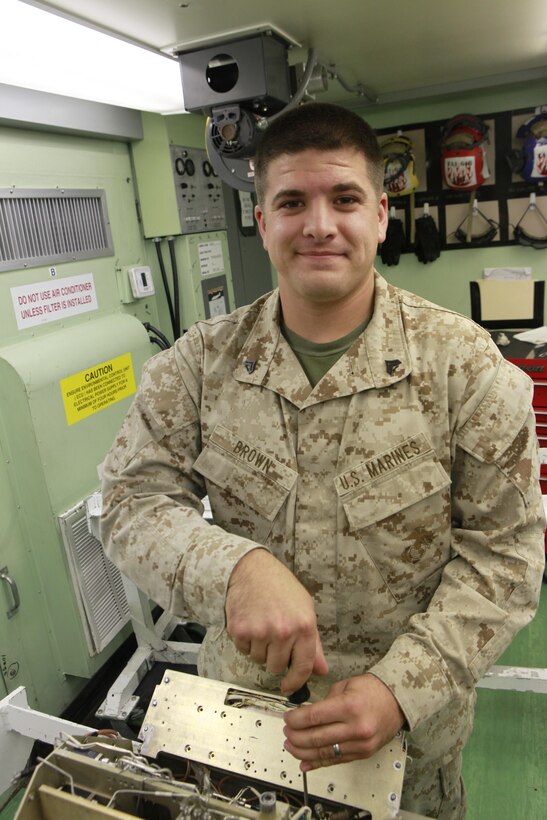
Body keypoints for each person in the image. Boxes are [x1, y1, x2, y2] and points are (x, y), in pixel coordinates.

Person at [100, 102, 545, 819]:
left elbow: (507, 556)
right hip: (244, 729)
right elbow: (130, 502)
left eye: (343, 199)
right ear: (260, 221)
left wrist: (401, 686)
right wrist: (237, 569)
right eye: (290, 202)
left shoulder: (465, 367)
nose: (318, 224)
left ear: (380, 216)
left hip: (407, 749)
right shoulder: (198, 366)